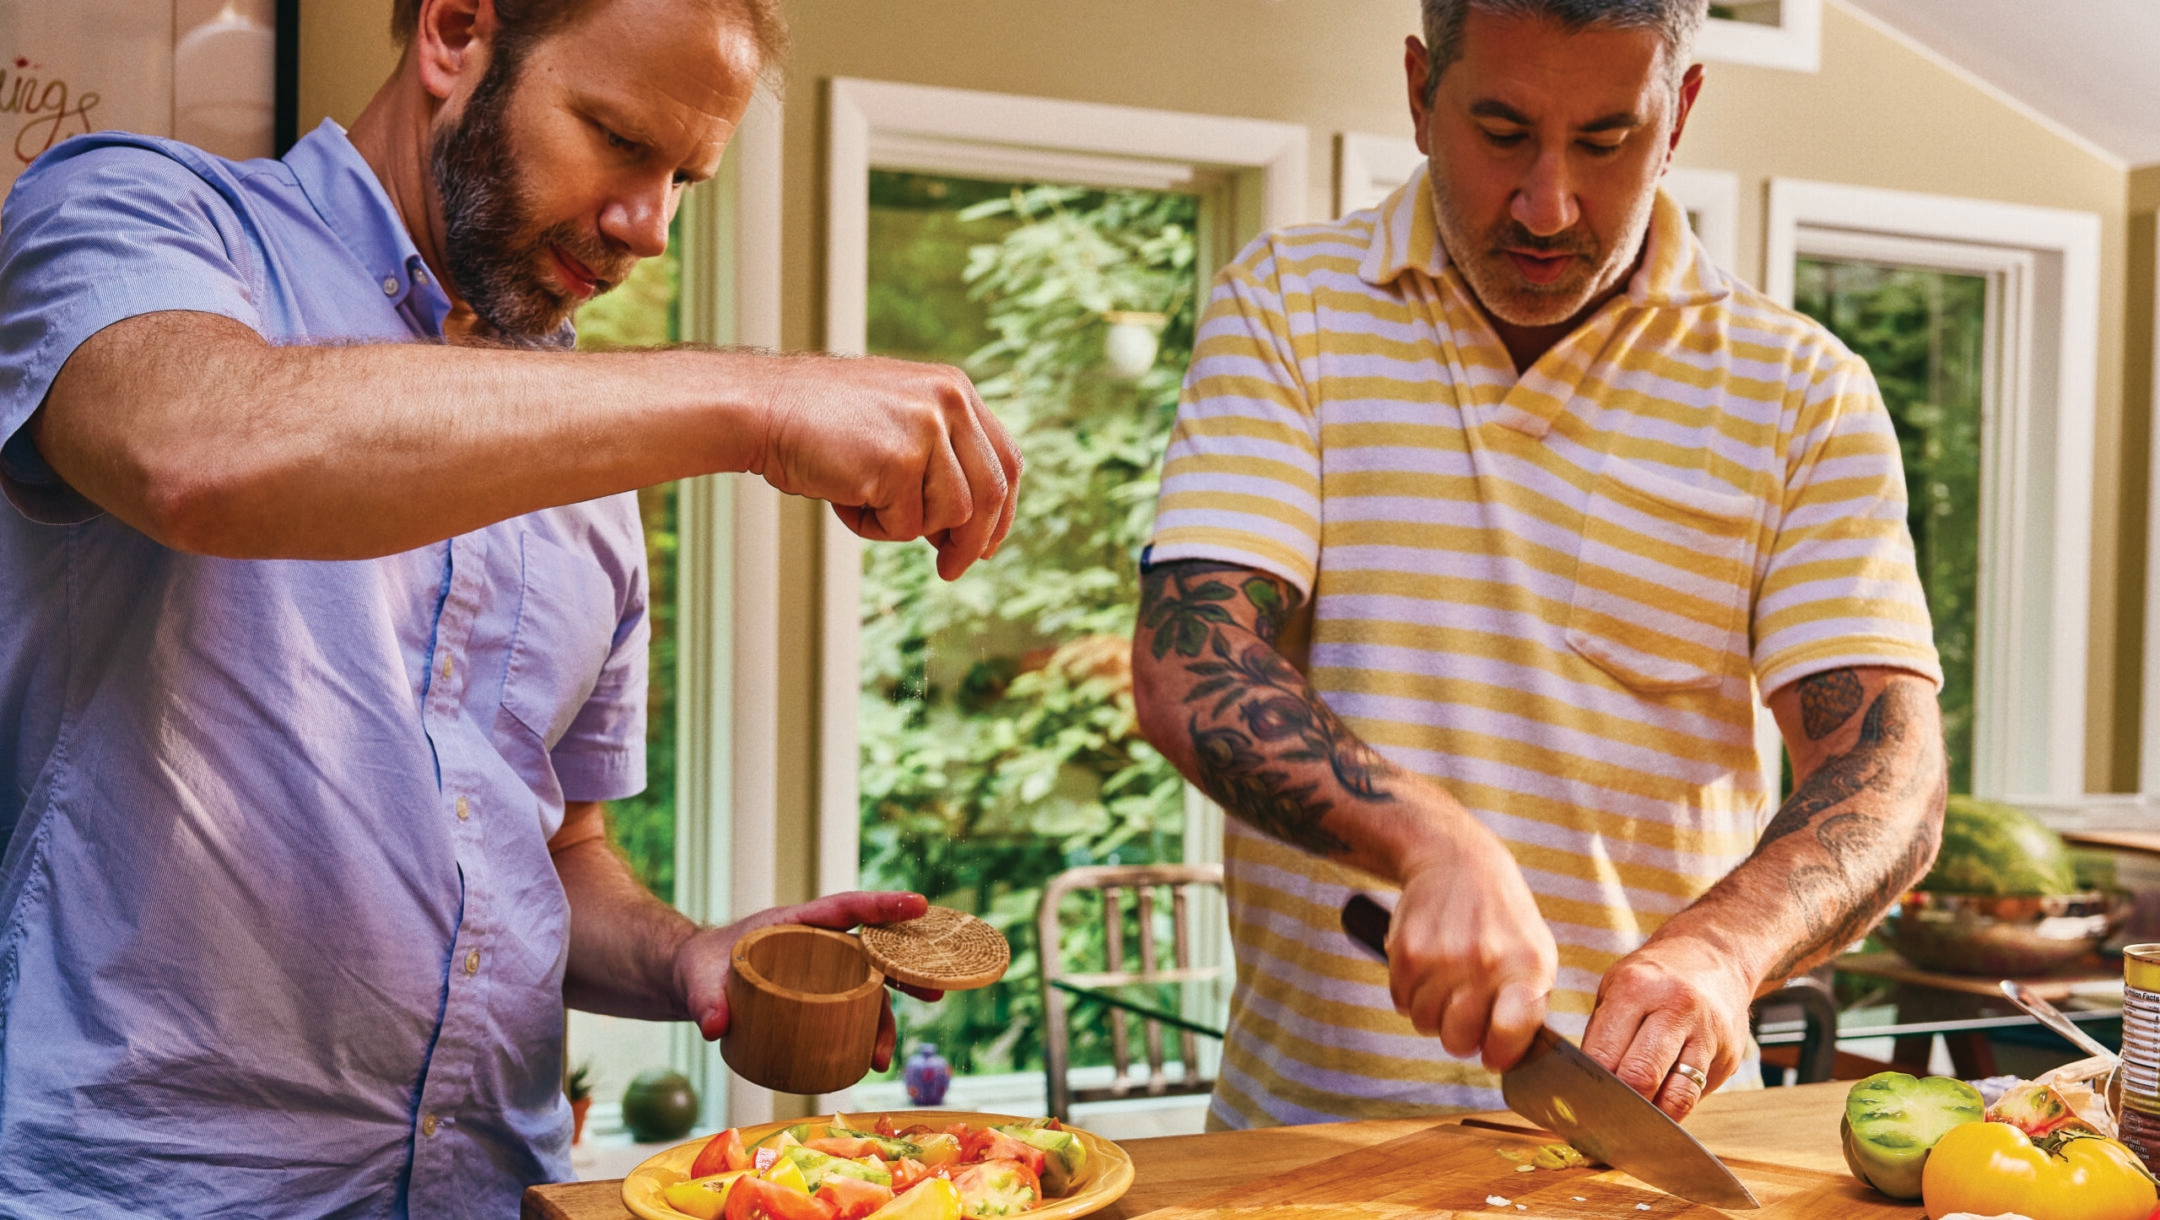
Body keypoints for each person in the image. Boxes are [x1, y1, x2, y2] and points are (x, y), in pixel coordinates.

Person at [0, 0, 1018, 1213]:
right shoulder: (134, 211)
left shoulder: (579, 463)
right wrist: (765, 395)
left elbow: (551, 849)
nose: (649, 225)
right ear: (454, 31)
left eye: (685, 176)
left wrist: (686, 952)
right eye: (619, 138)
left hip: (500, 1185)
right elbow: (196, 451)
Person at [1133, 0, 1946, 1131]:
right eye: (1503, 132)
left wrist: (1720, 952)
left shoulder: (1802, 390)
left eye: (1608, 141)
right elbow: (1196, 665)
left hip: (1648, 1146)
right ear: (1421, 92)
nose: (1549, 204)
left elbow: (1891, 777)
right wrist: (1432, 841)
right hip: (1309, 1142)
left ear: (1681, 114)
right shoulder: (1287, 309)